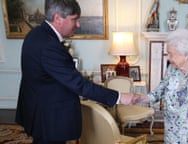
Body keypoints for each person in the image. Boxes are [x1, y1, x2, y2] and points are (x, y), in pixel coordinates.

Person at [15, 0, 139, 143]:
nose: (78, 24)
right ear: (57, 18)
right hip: (48, 117)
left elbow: (53, 75)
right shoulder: (49, 45)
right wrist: (119, 97)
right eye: (74, 19)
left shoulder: (36, 34)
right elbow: (78, 85)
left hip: (38, 109)